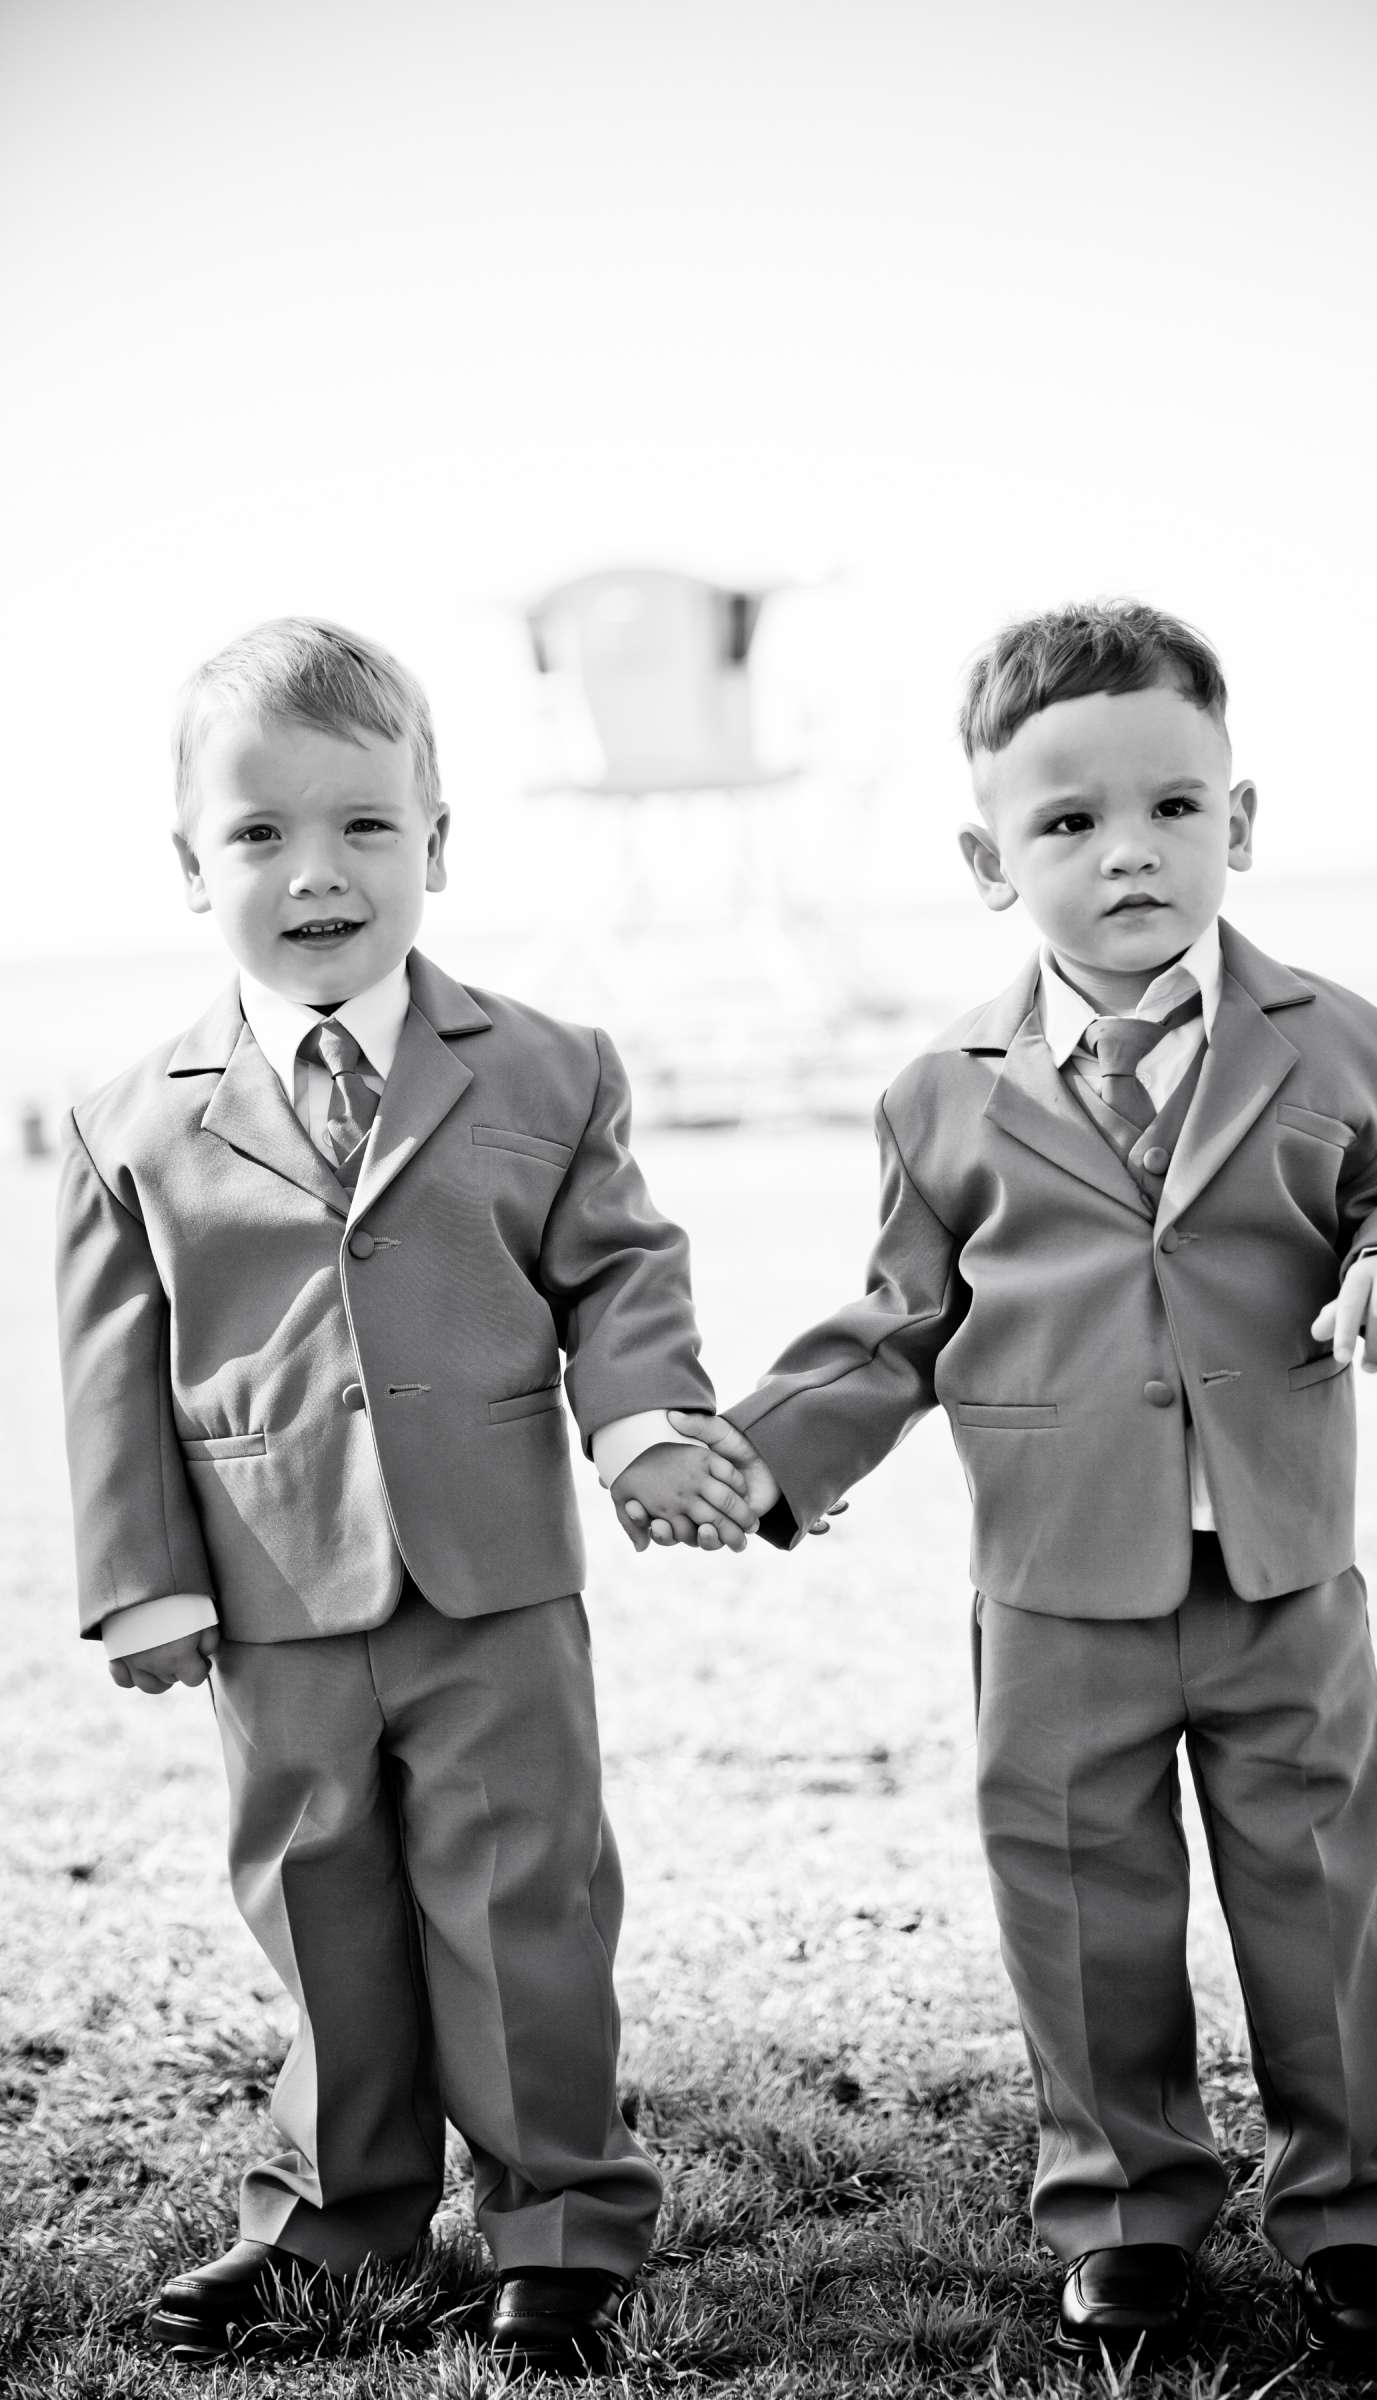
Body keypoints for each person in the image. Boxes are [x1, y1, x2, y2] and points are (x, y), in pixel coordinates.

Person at [636, 602, 1377, 2372]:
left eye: (1177, 809)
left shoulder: (1351, 1045)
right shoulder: (936, 1094)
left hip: (1278, 1574)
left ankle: (1360, 2222)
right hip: (1052, 1587)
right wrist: (762, 1457)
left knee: (1325, 1898)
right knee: (1082, 1910)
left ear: (1239, 826)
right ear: (987, 857)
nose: (1131, 853)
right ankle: (1122, 2210)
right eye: (1070, 822)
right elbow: (896, 1323)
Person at [54, 618, 760, 2373]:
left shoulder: (548, 1067)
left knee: (525, 1899)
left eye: (367, 827)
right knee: (317, 1904)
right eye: (260, 836)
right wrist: (139, 1578)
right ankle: (333, 2219)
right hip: (270, 1590)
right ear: (188, 865)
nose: (317, 875)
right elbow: (108, 1369)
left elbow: (618, 1275)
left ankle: (561, 2224)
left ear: (439, 842)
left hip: (497, 1578)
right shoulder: (127, 1121)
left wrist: (646, 1425)